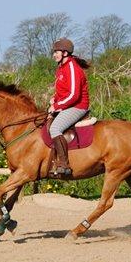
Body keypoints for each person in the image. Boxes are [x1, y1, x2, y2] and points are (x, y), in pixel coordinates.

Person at [47, 37, 90, 178]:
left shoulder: (72, 67)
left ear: (65, 53)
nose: (54, 54)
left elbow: (74, 95)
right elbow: (62, 91)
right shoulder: (61, 68)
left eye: (56, 52)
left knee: (55, 128)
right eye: (54, 52)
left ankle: (64, 165)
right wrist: (54, 99)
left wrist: (57, 106)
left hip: (78, 106)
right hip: (68, 104)